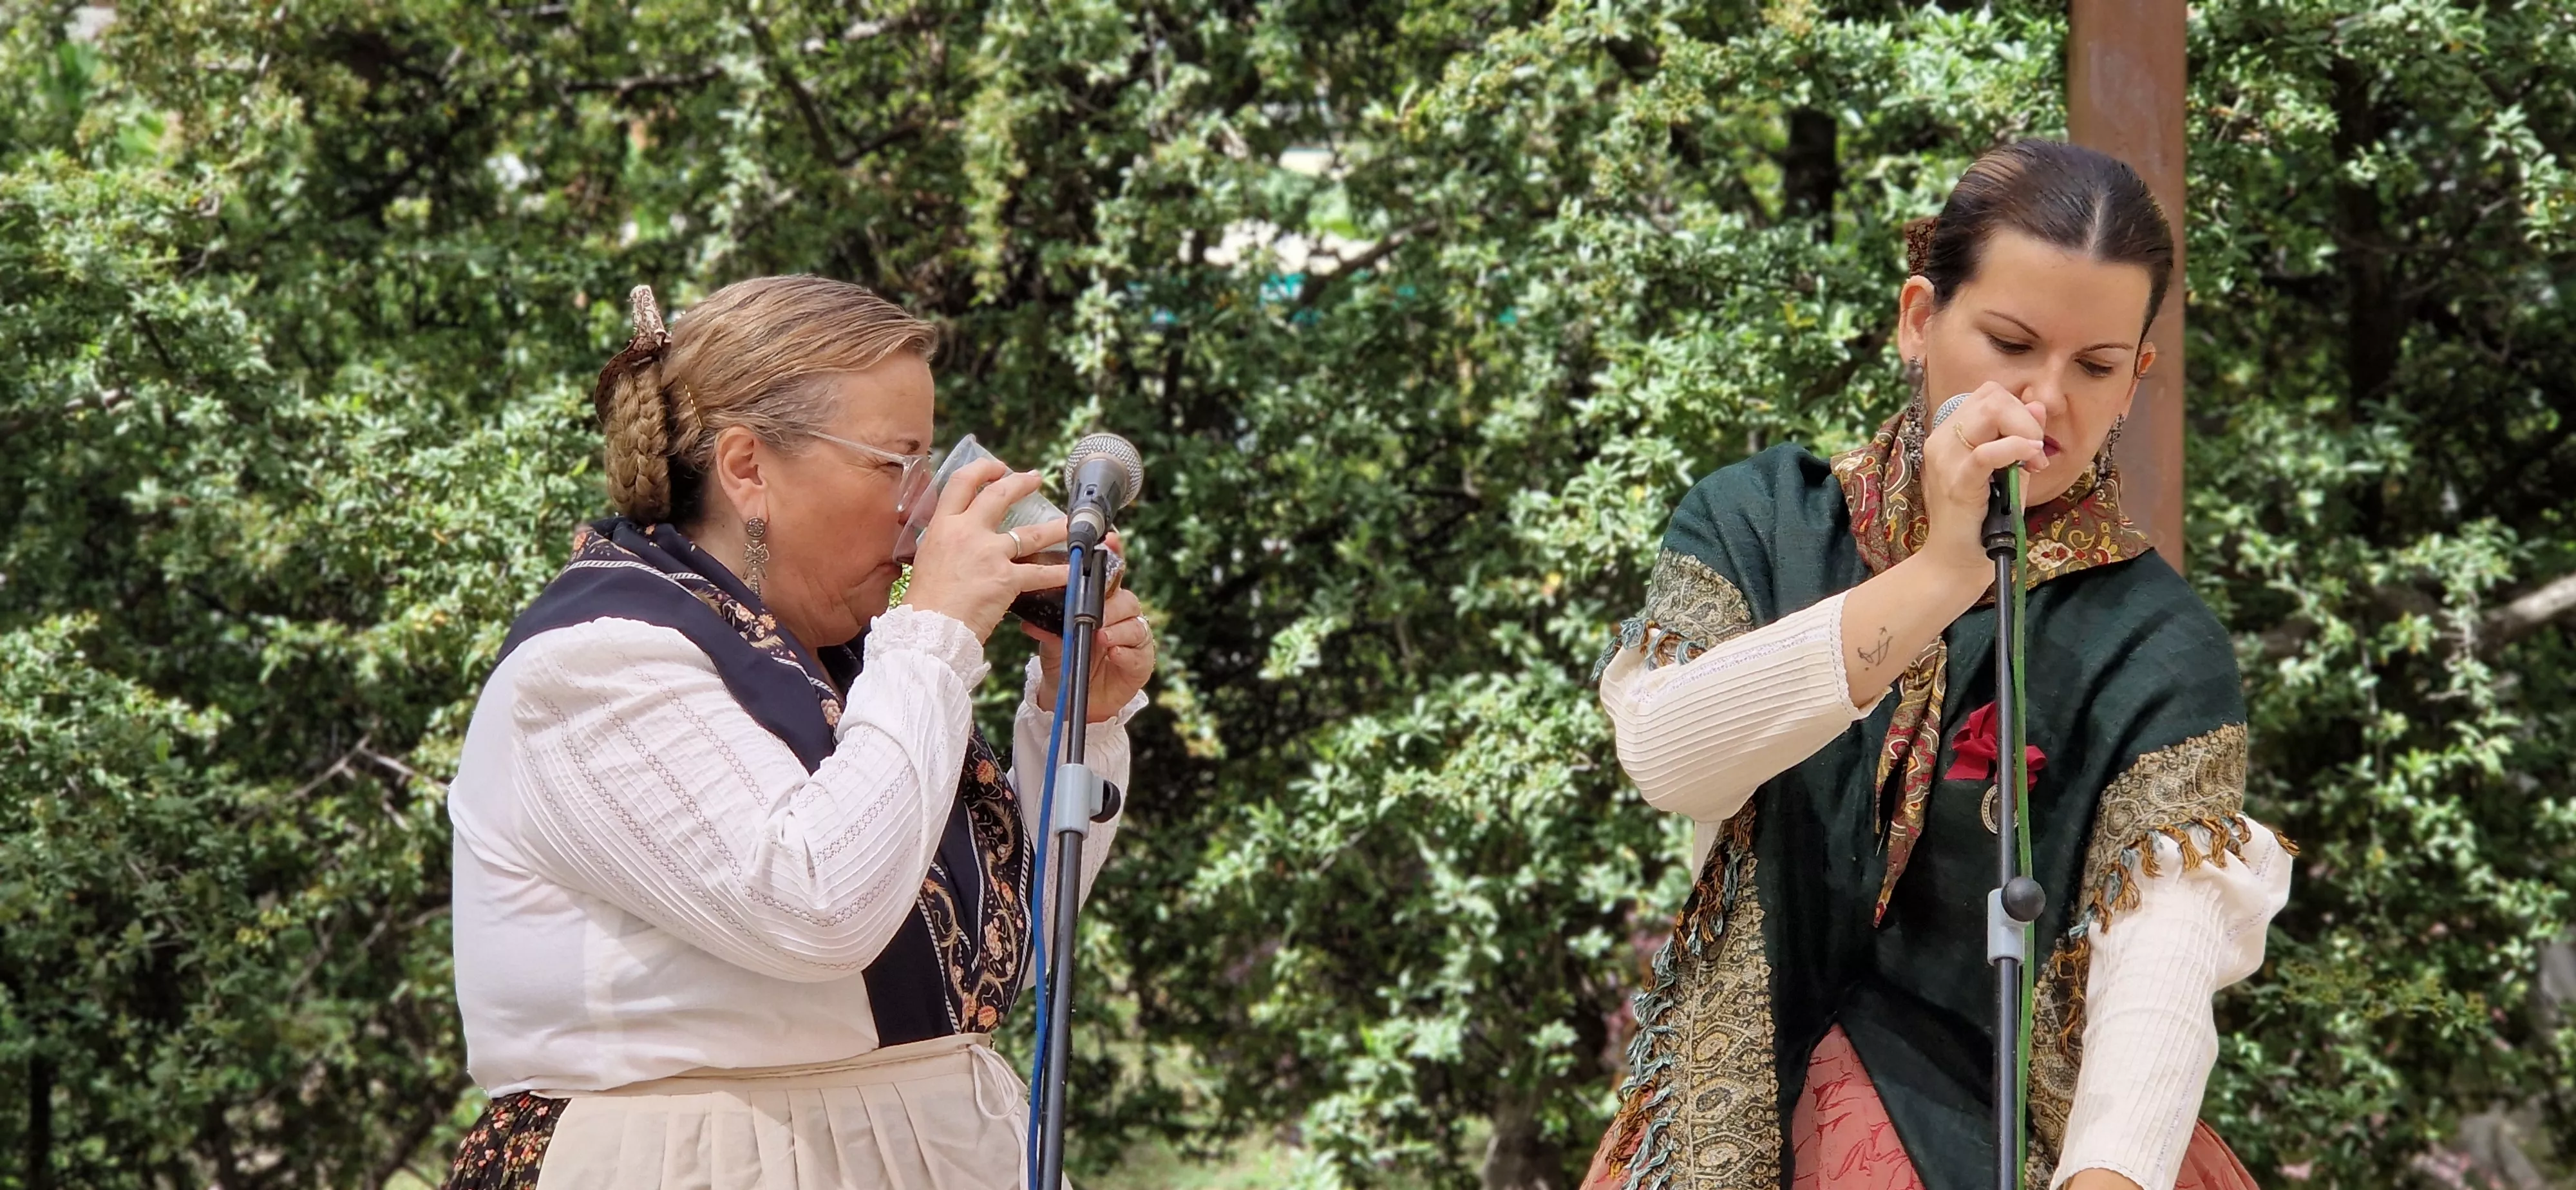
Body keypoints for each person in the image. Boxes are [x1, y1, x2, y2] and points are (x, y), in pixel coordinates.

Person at [1580, 140, 2292, 1190]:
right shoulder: (1762, 520)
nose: (2047, 401)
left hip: (2044, 1148)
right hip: (1743, 1122)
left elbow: (2164, 965)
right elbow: (1670, 758)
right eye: (2010, 343)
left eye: (2095, 366)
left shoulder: (2157, 641)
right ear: (1921, 320)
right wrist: (1944, 573)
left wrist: (2107, 1178)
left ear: (2137, 378)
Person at [438, 276, 1156, 1189]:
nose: (922, 510)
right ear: (747, 469)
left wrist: (1075, 718)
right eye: (897, 465)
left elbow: (993, 967)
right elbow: (819, 908)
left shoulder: (851, 667)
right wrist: (931, 635)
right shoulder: (591, 668)